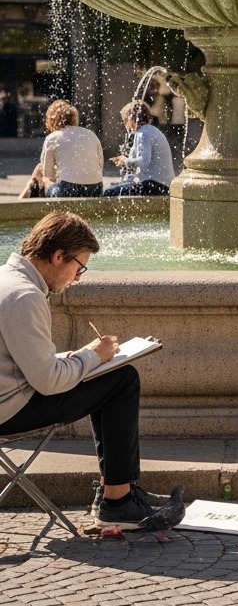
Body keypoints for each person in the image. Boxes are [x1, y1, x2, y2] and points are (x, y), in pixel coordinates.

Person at [0, 211, 178, 526]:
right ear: (58, 256)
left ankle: (119, 490)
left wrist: (86, 355)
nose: (79, 277)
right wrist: (93, 358)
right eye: (79, 266)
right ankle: (118, 500)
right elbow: (48, 381)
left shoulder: (8, 279)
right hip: (9, 409)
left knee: (110, 375)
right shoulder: (24, 296)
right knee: (122, 380)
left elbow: (26, 362)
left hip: (8, 395)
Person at [103, 101, 176, 198]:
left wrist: (126, 161)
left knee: (108, 192)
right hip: (163, 185)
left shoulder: (143, 134)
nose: (126, 125)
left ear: (130, 119)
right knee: (114, 186)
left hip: (154, 186)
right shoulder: (151, 130)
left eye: (125, 120)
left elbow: (143, 161)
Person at [36, 100, 105, 198]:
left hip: (67, 189)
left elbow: (48, 174)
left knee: (45, 182)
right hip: (95, 188)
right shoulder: (91, 134)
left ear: (51, 120)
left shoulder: (53, 138)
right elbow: (100, 165)